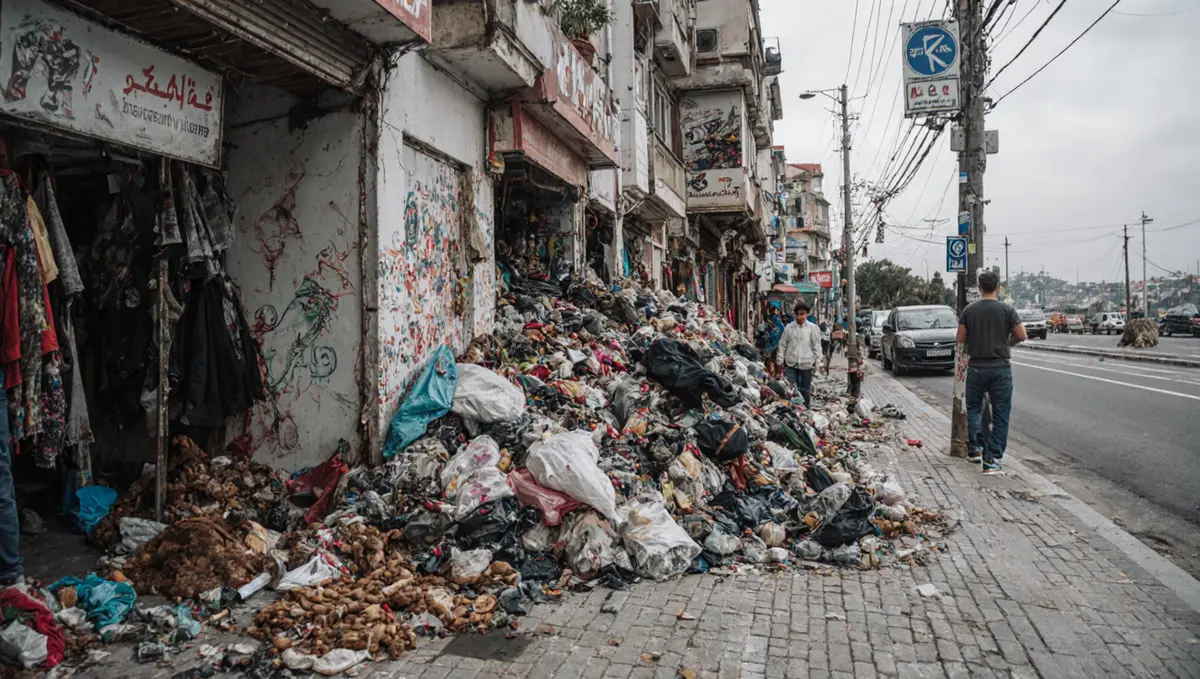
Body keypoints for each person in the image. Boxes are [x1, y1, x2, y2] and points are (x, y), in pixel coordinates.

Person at [957, 270, 1027, 474]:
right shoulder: (1007, 309)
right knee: (1001, 414)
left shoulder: (969, 311)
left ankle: (976, 449)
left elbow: (960, 339)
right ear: (997, 287)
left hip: (977, 367)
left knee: (974, 408)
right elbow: (1022, 334)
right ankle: (992, 459)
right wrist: (1008, 342)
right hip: (1000, 368)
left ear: (980, 288)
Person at [777, 301, 822, 407]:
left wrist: (817, 364)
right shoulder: (789, 328)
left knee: (805, 392)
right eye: (797, 314)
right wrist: (779, 361)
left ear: (806, 314)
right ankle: (793, 411)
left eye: (802, 314)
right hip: (791, 365)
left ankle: (806, 411)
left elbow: (817, 347)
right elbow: (782, 345)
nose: (799, 317)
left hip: (807, 365)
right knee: (791, 392)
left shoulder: (812, 328)